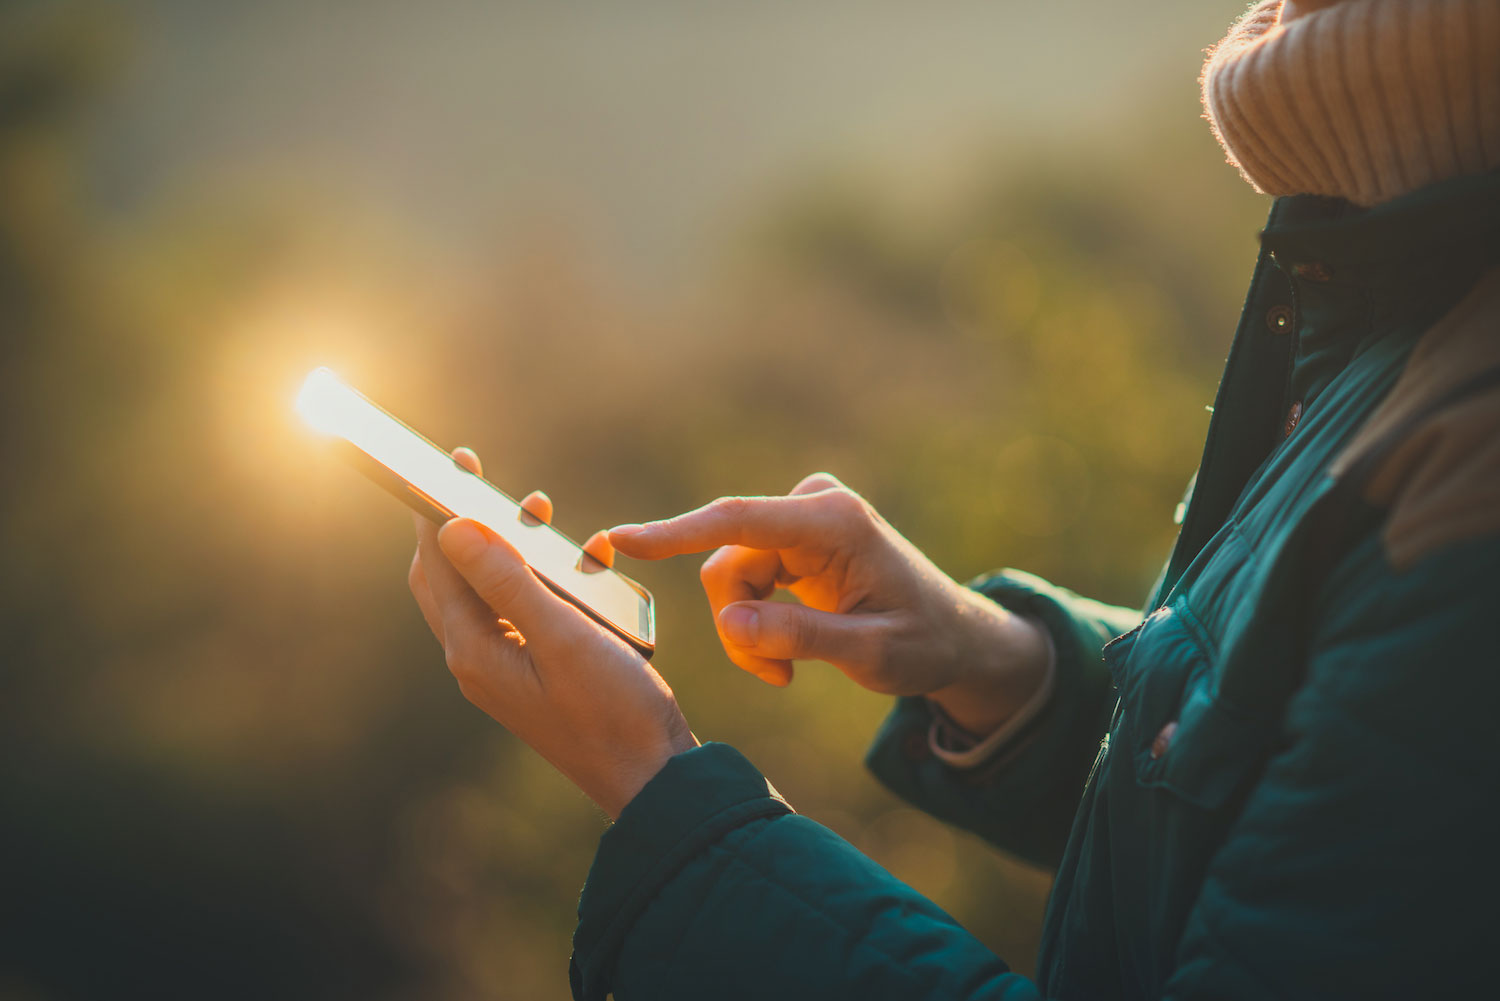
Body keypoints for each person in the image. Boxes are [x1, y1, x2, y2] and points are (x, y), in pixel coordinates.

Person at [404, 0, 1500, 997]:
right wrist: (995, 662)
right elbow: (1306, 775)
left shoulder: (1469, 452)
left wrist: (666, 803)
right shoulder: (1394, 239)